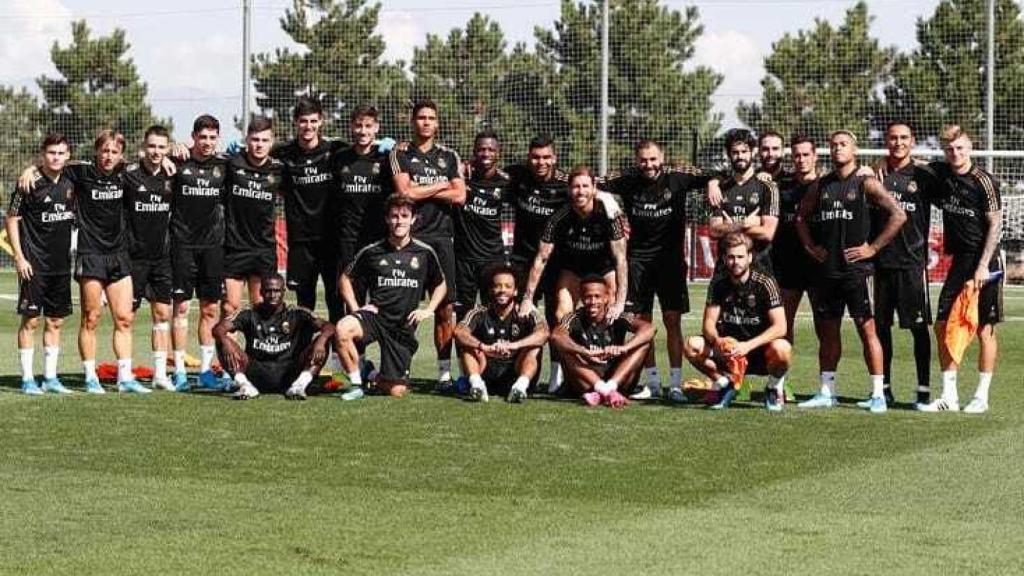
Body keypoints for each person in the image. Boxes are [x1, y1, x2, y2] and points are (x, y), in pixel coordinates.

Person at [19, 130, 148, 393]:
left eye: (114, 151)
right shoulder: (80, 172)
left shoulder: (127, 173)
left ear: (120, 154)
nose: (109, 156)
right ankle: (90, 377)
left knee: (124, 318)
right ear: (97, 151)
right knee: (91, 317)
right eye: (105, 151)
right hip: (90, 255)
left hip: (119, 254)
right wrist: (30, 168)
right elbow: (53, 162)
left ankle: (125, 378)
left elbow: (157, 161)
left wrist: (172, 154)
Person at [795, 130, 906, 413]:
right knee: (828, 333)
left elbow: (898, 214)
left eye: (843, 145)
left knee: (867, 330)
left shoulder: (866, 182)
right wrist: (809, 247)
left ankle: (878, 394)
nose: (837, 149)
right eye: (833, 146)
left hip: (857, 272)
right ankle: (826, 391)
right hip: (827, 273)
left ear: (854, 151)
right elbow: (801, 218)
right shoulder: (820, 185)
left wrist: (872, 248)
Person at [600, 139, 711, 402]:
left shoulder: (679, 177)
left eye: (653, 159)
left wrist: (714, 183)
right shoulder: (627, 179)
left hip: (670, 262)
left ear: (663, 157)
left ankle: (674, 384)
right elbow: (590, 183)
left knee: (673, 322)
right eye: (643, 160)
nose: (648, 164)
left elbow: (713, 175)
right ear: (637, 160)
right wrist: (606, 198)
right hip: (637, 262)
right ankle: (652, 383)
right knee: (642, 324)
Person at [920, 125, 1004, 414]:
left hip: (985, 262)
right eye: (950, 149)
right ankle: (949, 396)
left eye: (961, 148)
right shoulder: (941, 173)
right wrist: (878, 166)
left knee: (984, 328)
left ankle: (981, 396)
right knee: (943, 323)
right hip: (959, 262)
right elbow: (911, 164)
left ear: (970, 148)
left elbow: (995, 224)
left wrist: (983, 266)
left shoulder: (984, 181)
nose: (955, 154)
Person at [333, 195, 447, 400]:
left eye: (404, 216)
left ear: (413, 219)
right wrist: (356, 307)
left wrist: (429, 309)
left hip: (402, 326)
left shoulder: (424, 252)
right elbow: (345, 279)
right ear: (387, 219)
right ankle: (356, 384)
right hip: (376, 317)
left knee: (397, 392)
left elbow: (441, 284)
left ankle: (370, 373)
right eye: (394, 216)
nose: (399, 221)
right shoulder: (372, 251)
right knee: (342, 329)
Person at [389, 98, 466, 391]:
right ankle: (399, 369)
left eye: (431, 118)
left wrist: (425, 190)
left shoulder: (449, 156)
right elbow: (405, 192)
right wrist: (441, 185)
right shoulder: (401, 153)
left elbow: (460, 196)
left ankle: (444, 375)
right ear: (413, 122)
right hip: (410, 241)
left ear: (437, 123)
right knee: (404, 308)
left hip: (442, 241)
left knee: (445, 309)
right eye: (421, 117)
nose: (426, 122)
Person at [866, 122, 943, 408]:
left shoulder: (924, 175)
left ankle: (923, 392)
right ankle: (883, 389)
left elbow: (951, 184)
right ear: (886, 141)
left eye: (904, 138)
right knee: (882, 327)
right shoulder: (874, 174)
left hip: (912, 264)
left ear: (912, 141)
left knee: (918, 329)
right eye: (893, 138)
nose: (898, 143)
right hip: (880, 264)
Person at [683, 232, 792, 411]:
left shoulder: (765, 282)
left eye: (741, 257)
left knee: (783, 349)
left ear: (749, 257)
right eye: (731, 257)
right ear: (724, 259)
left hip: (758, 351)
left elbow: (781, 327)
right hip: (729, 352)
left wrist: (747, 346)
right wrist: (719, 342)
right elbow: (708, 324)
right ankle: (725, 383)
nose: (736, 262)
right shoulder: (719, 283)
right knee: (691, 345)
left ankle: (772, 387)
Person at [7, 133, 75, 395]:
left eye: (60, 153)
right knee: (31, 321)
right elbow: (12, 219)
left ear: (67, 156)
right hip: (34, 265)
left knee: (55, 322)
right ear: (42, 155)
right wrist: (19, 257)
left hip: (61, 266)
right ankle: (26, 379)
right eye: (51, 153)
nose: (56, 157)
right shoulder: (29, 183)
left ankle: (50, 378)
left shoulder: (72, 180)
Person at [521, 166, 628, 327]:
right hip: (573, 269)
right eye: (576, 187)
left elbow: (620, 259)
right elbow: (541, 259)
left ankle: (606, 350)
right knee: (561, 316)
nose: (581, 191)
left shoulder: (609, 215)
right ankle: (573, 350)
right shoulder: (558, 219)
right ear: (569, 190)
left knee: (610, 312)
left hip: (603, 269)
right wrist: (527, 299)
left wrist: (620, 302)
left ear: (594, 188)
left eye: (585, 186)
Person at [168, 114, 229, 391]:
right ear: (193, 137)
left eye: (212, 138)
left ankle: (206, 370)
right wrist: (170, 147)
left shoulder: (224, 165)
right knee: (180, 307)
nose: (207, 143)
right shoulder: (178, 161)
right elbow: (148, 156)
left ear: (218, 139)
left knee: (210, 309)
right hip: (182, 245)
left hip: (212, 247)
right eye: (202, 137)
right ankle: (179, 370)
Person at [506, 136, 570, 392]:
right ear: (528, 157)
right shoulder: (517, 176)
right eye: (535, 157)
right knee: (522, 317)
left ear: (554, 158)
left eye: (546, 157)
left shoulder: (566, 184)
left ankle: (557, 376)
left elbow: (592, 190)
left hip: (556, 262)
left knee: (557, 318)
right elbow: (490, 172)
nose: (540, 162)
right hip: (522, 260)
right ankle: (523, 373)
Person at [275, 96, 347, 320]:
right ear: (296, 122)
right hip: (300, 241)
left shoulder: (336, 150)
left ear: (321, 122)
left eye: (313, 121)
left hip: (331, 239)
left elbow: (363, 151)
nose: (308, 126)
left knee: (335, 299)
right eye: (303, 121)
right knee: (304, 302)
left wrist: (390, 145)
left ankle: (337, 355)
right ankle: (304, 354)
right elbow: (255, 153)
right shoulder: (283, 153)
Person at [213, 274, 335, 400]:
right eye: (268, 291)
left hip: (290, 373)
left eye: (276, 291)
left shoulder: (296, 313)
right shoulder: (249, 313)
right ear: (261, 292)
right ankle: (244, 385)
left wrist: (321, 340)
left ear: (283, 291)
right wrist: (224, 341)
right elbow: (218, 329)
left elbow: (329, 327)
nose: (272, 295)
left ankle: (299, 386)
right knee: (221, 341)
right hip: (256, 373)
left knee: (325, 340)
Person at [550, 275, 655, 408]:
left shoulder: (616, 316)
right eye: (588, 297)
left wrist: (624, 348)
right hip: (587, 383)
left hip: (617, 378)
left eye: (597, 296)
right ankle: (606, 391)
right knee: (564, 348)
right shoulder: (574, 317)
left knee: (645, 343)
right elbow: (556, 336)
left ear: (606, 298)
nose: (593, 301)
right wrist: (584, 351)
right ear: (582, 298)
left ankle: (606, 390)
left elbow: (649, 329)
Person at [123, 125, 175, 390]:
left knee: (162, 314)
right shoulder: (128, 174)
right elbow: (95, 166)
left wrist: (174, 156)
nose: (156, 152)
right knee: (127, 317)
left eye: (161, 147)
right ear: (144, 147)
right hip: (133, 259)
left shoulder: (172, 175)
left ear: (167, 148)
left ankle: (159, 374)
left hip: (162, 258)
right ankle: (125, 373)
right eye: (152, 146)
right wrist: (32, 169)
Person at [330, 104, 393, 320]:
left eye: (368, 126)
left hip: (378, 239)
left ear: (376, 128)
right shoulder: (339, 158)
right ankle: (355, 353)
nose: (363, 131)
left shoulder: (386, 158)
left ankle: (389, 352)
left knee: (381, 298)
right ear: (351, 127)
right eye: (358, 126)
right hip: (348, 239)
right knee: (352, 299)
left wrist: (398, 148)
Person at [454, 264, 548, 403]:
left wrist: (514, 345)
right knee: (467, 345)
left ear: (515, 291)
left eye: (508, 286)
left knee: (534, 346)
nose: (502, 290)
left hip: (515, 370)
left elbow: (544, 333)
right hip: (486, 369)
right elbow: (459, 332)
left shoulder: (525, 312)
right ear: (491, 289)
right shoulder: (480, 312)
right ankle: (477, 386)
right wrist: (484, 347)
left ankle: (520, 388)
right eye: (497, 286)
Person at [222, 116, 284, 318]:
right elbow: (201, 156)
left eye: (264, 140)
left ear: (271, 142)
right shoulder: (232, 163)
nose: (259, 145)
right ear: (247, 139)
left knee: (261, 306)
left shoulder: (279, 169)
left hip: (263, 249)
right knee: (230, 307)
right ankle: (227, 351)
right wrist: (175, 149)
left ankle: (256, 351)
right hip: (234, 247)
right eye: (255, 139)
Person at [453, 129, 514, 319]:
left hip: (492, 258)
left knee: (493, 313)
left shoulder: (506, 183)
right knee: (464, 314)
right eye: (481, 149)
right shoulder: (461, 179)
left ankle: (492, 349)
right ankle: (465, 350)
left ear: (498, 153)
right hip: (464, 259)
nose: (486, 154)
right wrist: (459, 171)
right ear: (474, 151)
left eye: (490, 150)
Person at [708, 129, 779, 275]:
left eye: (744, 151)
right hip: (725, 268)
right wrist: (743, 224)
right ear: (729, 154)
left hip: (760, 266)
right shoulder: (718, 189)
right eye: (735, 152)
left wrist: (729, 226)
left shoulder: (768, 186)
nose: (740, 156)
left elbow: (767, 233)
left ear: (753, 152)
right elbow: (714, 231)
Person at [771, 135, 819, 346]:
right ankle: (781, 379)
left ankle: (826, 380)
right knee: (783, 325)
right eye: (796, 155)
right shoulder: (781, 186)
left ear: (815, 156)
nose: (801, 159)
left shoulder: (826, 185)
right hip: (788, 264)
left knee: (825, 326)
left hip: (818, 265)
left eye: (806, 154)